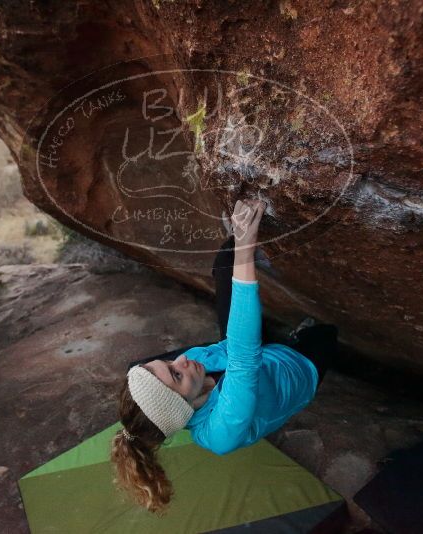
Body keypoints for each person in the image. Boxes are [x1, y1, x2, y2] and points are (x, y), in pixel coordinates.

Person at [110, 199, 339, 515]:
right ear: (182, 406)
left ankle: (259, 313)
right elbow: (245, 360)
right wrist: (247, 249)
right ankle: (298, 335)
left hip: (240, 351)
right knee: (326, 333)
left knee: (223, 262)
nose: (181, 360)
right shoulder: (221, 433)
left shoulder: (188, 368)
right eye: (176, 375)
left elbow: (239, 348)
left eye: (165, 363)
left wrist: (237, 251)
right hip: (295, 370)